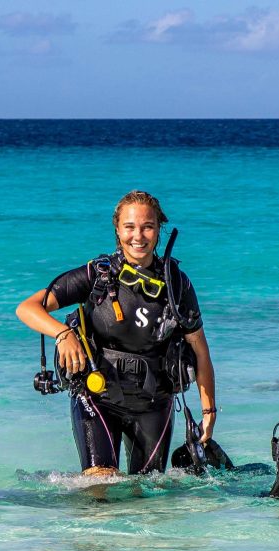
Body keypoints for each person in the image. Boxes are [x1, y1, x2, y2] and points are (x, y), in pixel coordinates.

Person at [16, 190, 217, 476]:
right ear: (117, 230)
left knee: (146, 495)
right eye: (130, 227)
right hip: (97, 398)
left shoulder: (177, 285)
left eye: (148, 226)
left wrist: (209, 412)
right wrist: (63, 334)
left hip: (154, 404)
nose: (139, 236)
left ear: (159, 230)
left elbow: (200, 350)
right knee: (100, 485)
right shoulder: (97, 275)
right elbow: (28, 308)